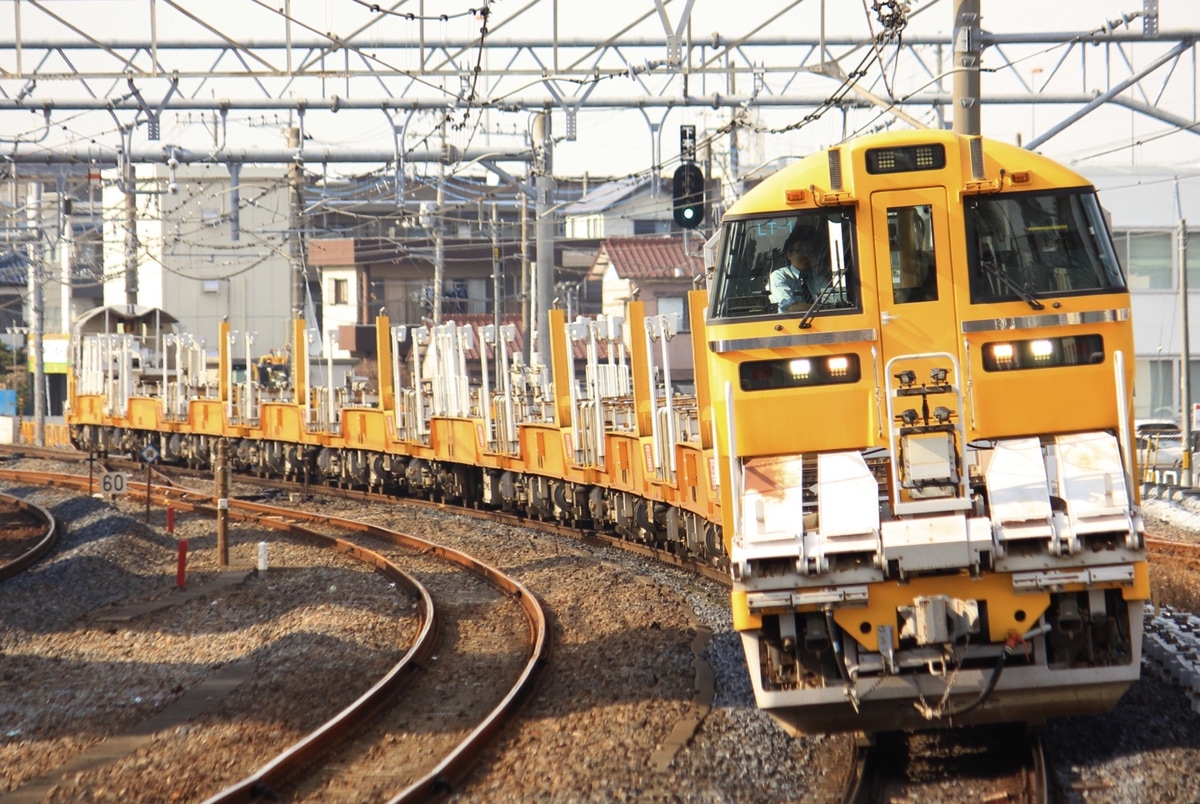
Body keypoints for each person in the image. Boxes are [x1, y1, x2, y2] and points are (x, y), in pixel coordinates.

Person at [769, 231, 822, 313]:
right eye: (800, 251)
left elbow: (835, 302)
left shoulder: (820, 279)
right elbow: (790, 307)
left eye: (809, 251)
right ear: (789, 254)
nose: (805, 255)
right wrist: (823, 308)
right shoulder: (779, 276)